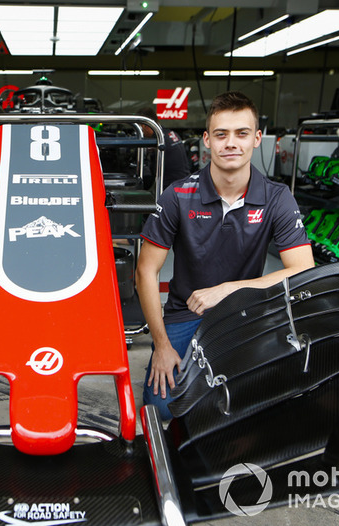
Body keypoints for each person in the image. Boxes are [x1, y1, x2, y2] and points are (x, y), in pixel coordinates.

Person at [136, 91, 314, 420]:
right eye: (221, 134)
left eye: (241, 133)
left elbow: (302, 268)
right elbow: (146, 271)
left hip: (246, 314)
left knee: (259, 408)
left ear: (257, 139)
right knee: (160, 410)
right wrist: (161, 344)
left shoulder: (277, 198)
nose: (231, 143)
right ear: (207, 140)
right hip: (184, 315)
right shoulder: (178, 195)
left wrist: (230, 288)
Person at [137, 106, 192, 191]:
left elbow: (152, 173)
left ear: (144, 125)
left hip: (173, 189)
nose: (140, 132)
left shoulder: (159, 140)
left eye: (139, 127)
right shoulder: (170, 133)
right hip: (185, 184)